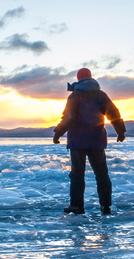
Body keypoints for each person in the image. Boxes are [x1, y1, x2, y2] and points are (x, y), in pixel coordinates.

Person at [53, 68, 126, 215]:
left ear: (78, 78)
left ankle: (77, 206)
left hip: (78, 141)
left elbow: (69, 118)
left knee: (77, 174)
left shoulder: (75, 96)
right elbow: (113, 113)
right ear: (91, 77)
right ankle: (106, 206)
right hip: (96, 141)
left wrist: (58, 133)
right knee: (101, 174)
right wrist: (120, 131)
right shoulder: (101, 95)